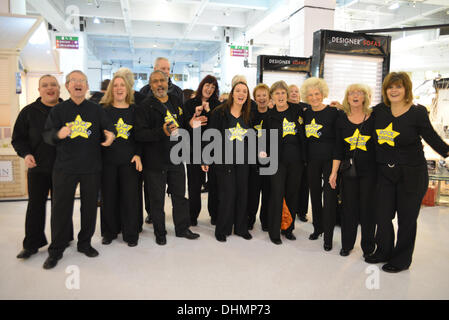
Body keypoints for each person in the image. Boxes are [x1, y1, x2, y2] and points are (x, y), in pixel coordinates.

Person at [365, 72, 449, 273]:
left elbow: (431, 137)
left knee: (407, 219)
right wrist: (341, 108)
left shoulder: (417, 112)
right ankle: (383, 251)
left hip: (412, 174)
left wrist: (447, 152)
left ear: (406, 89)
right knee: (383, 216)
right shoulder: (379, 111)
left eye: (399, 87)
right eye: (390, 87)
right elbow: (359, 117)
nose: (394, 90)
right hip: (385, 173)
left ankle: (401, 259)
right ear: (385, 90)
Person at [41, 70, 116, 269]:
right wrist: (59, 133)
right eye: (73, 81)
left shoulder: (96, 110)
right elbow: (47, 136)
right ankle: (56, 250)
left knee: (90, 208)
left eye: (82, 81)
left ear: (87, 86)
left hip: (91, 167)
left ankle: (85, 243)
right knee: (60, 210)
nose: (78, 83)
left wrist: (110, 136)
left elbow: (110, 128)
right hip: (64, 168)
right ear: (67, 86)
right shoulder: (58, 110)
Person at [134, 70, 201, 245]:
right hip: (155, 161)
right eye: (155, 81)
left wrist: (191, 124)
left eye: (162, 80)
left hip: (176, 158)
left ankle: (182, 228)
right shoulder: (145, 106)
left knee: (180, 195)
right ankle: (160, 232)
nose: (159, 84)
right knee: (157, 199)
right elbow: (140, 134)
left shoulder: (176, 101)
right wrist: (161, 131)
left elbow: (185, 125)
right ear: (150, 85)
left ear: (167, 82)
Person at [12, 75, 73, 259]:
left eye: (53, 85)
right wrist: (26, 154)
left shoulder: (68, 111)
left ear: (59, 88)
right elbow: (19, 139)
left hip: (63, 169)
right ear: (39, 90)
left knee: (61, 207)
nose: (50, 88)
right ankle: (31, 244)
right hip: (38, 168)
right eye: (45, 85)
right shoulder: (28, 112)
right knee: (35, 206)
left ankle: (63, 239)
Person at [202, 81, 253, 242]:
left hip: (244, 160)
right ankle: (222, 229)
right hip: (223, 160)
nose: (241, 94)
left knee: (242, 193)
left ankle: (240, 228)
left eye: (244, 91)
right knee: (227, 194)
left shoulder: (250, 113)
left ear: (247, 96)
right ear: (232, 94)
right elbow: (210, 136)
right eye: (238, 90)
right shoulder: (220, 112)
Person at [328, 84, 376, 258]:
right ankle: (347, 245)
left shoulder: (374, 117)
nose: (355, 96)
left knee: (368, 210)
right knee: (348, 209)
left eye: (359, 92)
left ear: (365, 97)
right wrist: (333, 173)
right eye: (351, 93)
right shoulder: (341, 120)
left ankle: (368, 247)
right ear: (347, 98)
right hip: (348, 172)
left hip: (370, 172)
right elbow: (337, 150)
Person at [99, 74, 143, 247]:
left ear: (127, 89)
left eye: (122, 85)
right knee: (108, 197)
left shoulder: (135, 110)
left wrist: (138, 153)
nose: (119, 88)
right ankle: (109, 232)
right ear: (111, 89)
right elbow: (96, 135)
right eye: (115, 85)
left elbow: (139, 135)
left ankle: (130, 233)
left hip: (129, 161)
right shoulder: (103, 110)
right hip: (108, 160)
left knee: (130, 198)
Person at [262, 81, 307, 245]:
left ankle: (288, 229)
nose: (280, 96)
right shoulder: (269, 116)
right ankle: (274, 232)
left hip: (296, 161)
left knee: (292, 194)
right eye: (277, 93)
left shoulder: (298, 111)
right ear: (272, 97)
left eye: (283, 93)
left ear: (287, 95)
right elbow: (264, 140)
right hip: (277, 161)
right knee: (277, 194)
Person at [301, 77, 339, 251]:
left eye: (317, 94)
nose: (314, 97)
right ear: (306, 97)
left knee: (329, 198)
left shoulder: (333, 112)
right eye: (310, 95)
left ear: (323, 94)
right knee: (314, 195)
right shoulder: (306, 113)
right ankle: (318, 228)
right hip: (312, 160)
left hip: (330, 161)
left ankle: (329, 236)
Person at [184, 75, 221, 226]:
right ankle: (192, 216)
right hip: (194, 150)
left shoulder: (217, 105)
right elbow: (185, 126)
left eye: (213, 87)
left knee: (214, 184)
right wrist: (193, 119)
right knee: (194, 185)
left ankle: (215, 214)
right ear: (201, 85)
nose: (209, 89)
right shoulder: (190, 104)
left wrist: (210, 111)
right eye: (207, 85)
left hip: (212, 150)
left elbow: (219, 127)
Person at [247, 83, 270, 231]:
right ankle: (250, 219)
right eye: (258, 96)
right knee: (253, 193)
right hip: (253, 160)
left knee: (267, 193)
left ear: (269, 97)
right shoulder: (250, 115)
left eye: (264, 95)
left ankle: (266, 221)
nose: (261, 98)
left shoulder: (273, 116)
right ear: (254, 98)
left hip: (269, 161)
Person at [289, 83, 309, 223]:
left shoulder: (306, 108)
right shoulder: (283, 108)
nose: (295, 94)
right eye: (291, 92)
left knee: (304, 184)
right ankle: (290, 210)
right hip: (291, 153)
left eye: (297, 91)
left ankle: (302, 211)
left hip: (305, 152)